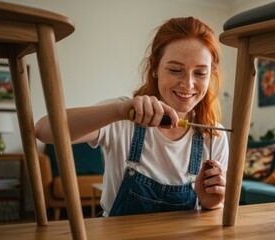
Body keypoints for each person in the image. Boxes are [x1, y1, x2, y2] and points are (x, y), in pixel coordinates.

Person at [35, 17, 229, 217]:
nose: (188, 84)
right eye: (175, 70)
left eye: (200, 73)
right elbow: (43, 130)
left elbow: (212, 221)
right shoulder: (124, 116)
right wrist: (119, 111)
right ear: (154, 67)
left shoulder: (214, 136)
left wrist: (211, 205)